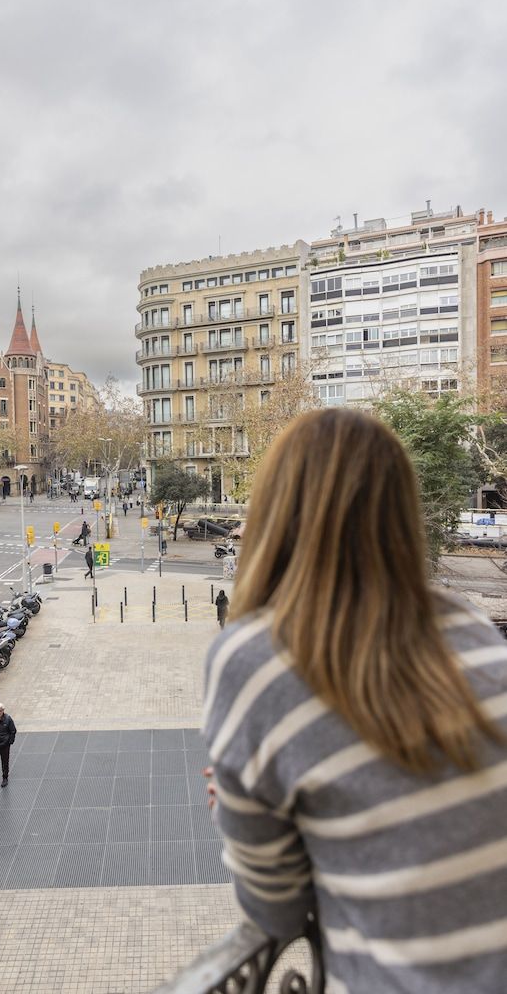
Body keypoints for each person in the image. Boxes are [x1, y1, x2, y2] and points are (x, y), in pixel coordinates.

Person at [203, 408, 507, 992]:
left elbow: (276, 911)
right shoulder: (466, 622)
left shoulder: (253, 660)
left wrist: (234, 806)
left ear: (273, 513)